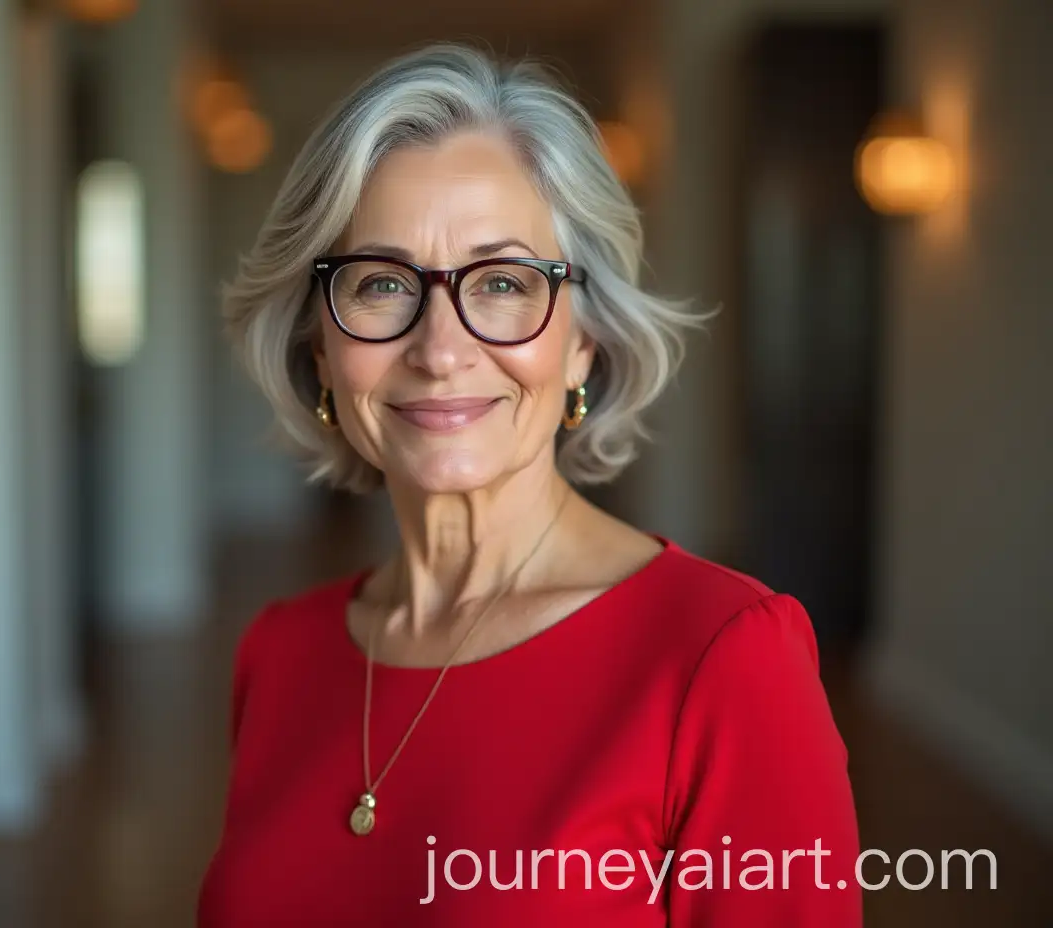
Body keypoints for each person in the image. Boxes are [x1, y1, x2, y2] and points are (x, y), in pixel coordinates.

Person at [197, 43, 861, 927]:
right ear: (320, 346)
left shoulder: (725, 659)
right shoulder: (279, 654)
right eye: (382, 283)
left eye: (504, 282)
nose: (441, 349)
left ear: (582, 339)